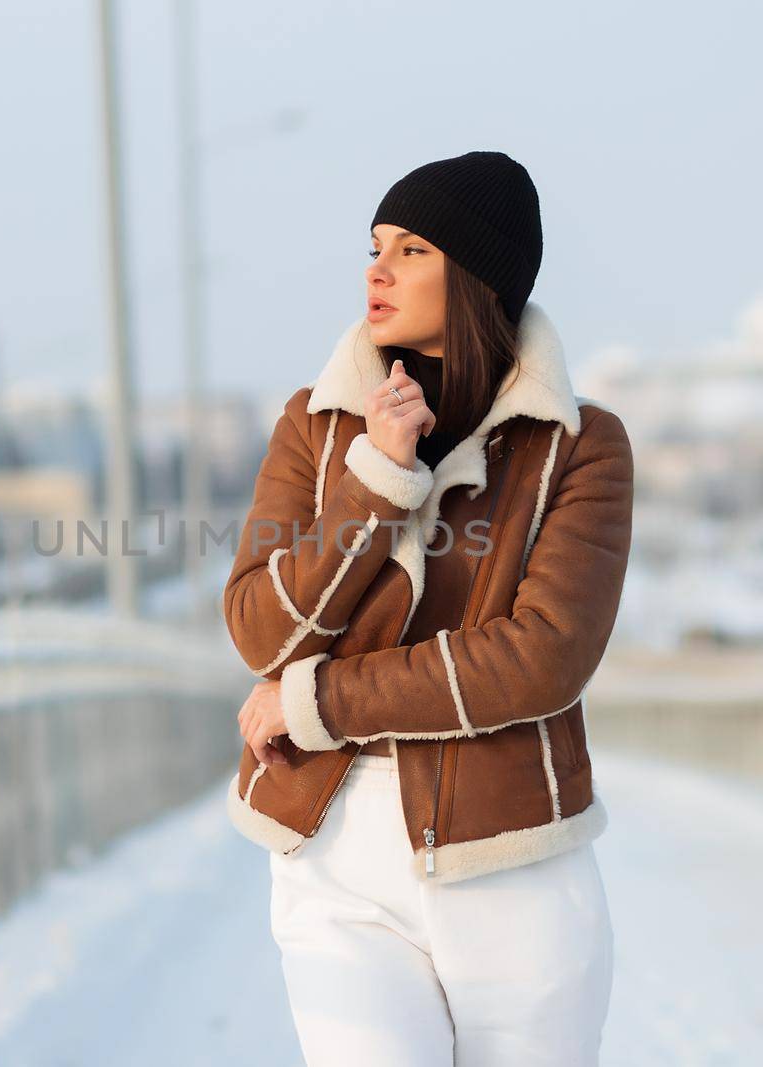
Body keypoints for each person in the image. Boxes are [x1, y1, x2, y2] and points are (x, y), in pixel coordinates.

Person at [222, 150, 635, 1065]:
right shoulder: (317, 424)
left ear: (480, 273)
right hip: (334, 851)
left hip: (516, 860)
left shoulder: (581, 447)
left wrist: (316, 702)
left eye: (411, 249)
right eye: (375, 246)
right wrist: (378, 478)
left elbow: (543, 656)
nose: (376, 269)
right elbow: (262, 627)